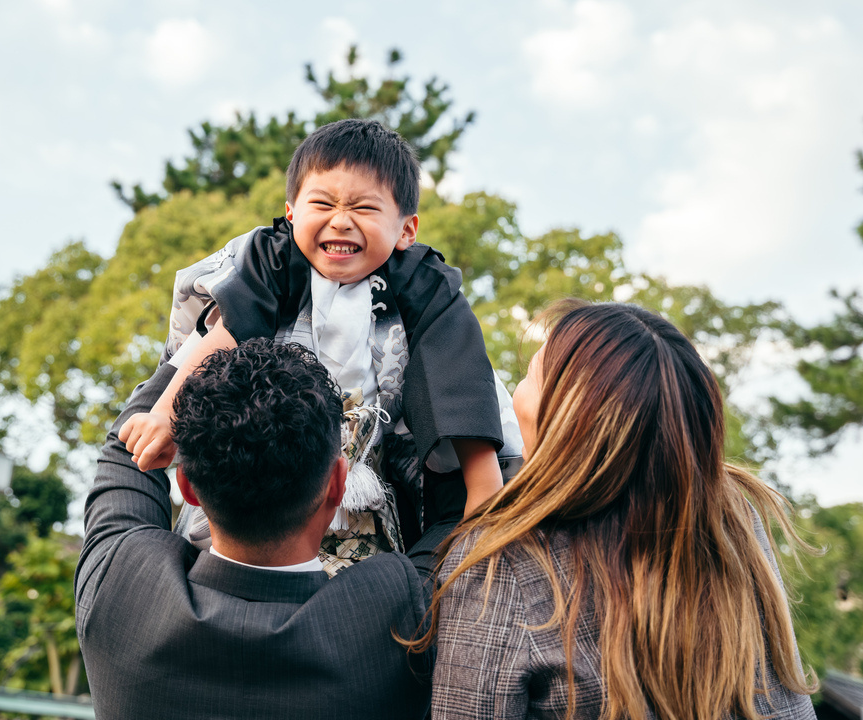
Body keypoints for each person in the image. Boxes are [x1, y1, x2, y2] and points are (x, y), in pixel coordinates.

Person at [118, 118, 521, 572]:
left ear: (406, 230)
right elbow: (226, 332)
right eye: (323, 203)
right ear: (291, 212)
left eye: (365, 208)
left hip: (371, 473)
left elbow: (456, 372)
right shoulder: (269, 261)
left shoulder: (425, 283)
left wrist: (482, 491)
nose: (341, 221)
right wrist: (165, 412)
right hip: (265, 466)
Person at [418, 301, 817, 719]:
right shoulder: (732, 516)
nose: (516, 391)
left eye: (530, 376)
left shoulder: (500, 565)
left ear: (565, 423)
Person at [77, 339, 431, 720]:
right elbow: (459, 515)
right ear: (338, 484)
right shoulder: (394, 615)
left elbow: (131, 443)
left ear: (188, 488)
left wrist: (224, 324)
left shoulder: (119, 589)